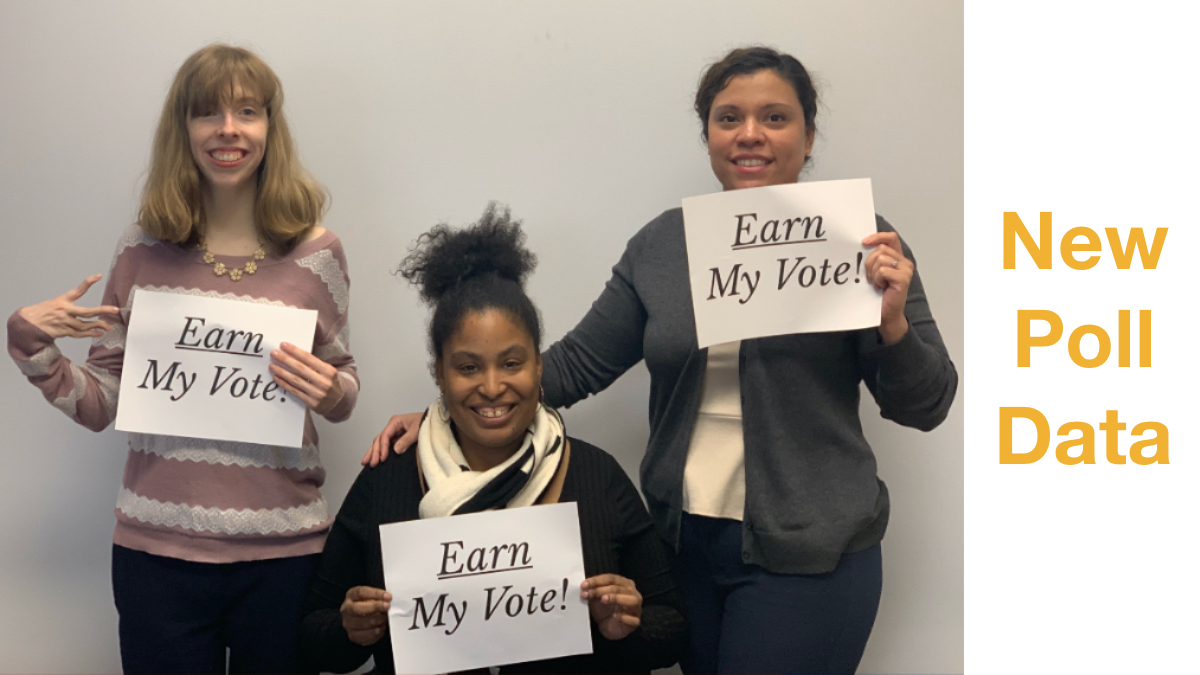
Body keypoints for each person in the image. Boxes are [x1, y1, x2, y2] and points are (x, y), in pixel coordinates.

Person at [367, 46, 957, 674]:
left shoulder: (862, 240)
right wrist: (444, 413)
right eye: (729, 118)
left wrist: (891, 321)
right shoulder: (662, 247)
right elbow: (572, 367)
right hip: (685, 548)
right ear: (707, 134)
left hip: (810, 556)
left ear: (809, 135)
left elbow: (927, 403)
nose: (749, 134)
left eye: (775, 118)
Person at [6, 44, 358, 674]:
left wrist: (333, 393)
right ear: (184, 129)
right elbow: (104, 405)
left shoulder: (318, 253)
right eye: (207, 113)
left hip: (285, 556)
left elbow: (343, 384)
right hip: (157, 558)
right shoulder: (141, 249)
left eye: (247, 111)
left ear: (270, 128)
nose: (228, 129)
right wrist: (34, 347)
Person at [299, 204, 686, 674]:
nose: (491, 386)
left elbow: (673, 631)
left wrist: (630, 622)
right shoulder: (389, 479)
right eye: (467, 367)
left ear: (539, 367)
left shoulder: (597, 476)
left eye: (511, 363)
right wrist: (349, 630)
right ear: (439, 375)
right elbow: (311, 636)